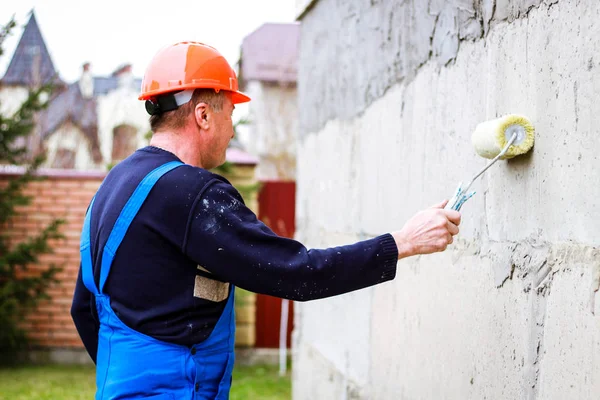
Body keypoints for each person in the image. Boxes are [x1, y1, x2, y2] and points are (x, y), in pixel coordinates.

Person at [71, 41, 461, 400]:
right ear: (203, 115)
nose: (232, 128)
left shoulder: (111, 188)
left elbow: (84, 309)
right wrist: (404, 241)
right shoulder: (193, 193)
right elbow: (298, 272)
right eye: (231, 113)